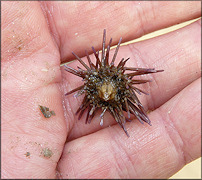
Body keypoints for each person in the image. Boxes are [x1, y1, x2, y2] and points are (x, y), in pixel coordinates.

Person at [2, 1, 201, 179]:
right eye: (105, 95)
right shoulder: (100, 88)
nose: (106, 95)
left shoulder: (107, 90)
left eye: (107, 95)